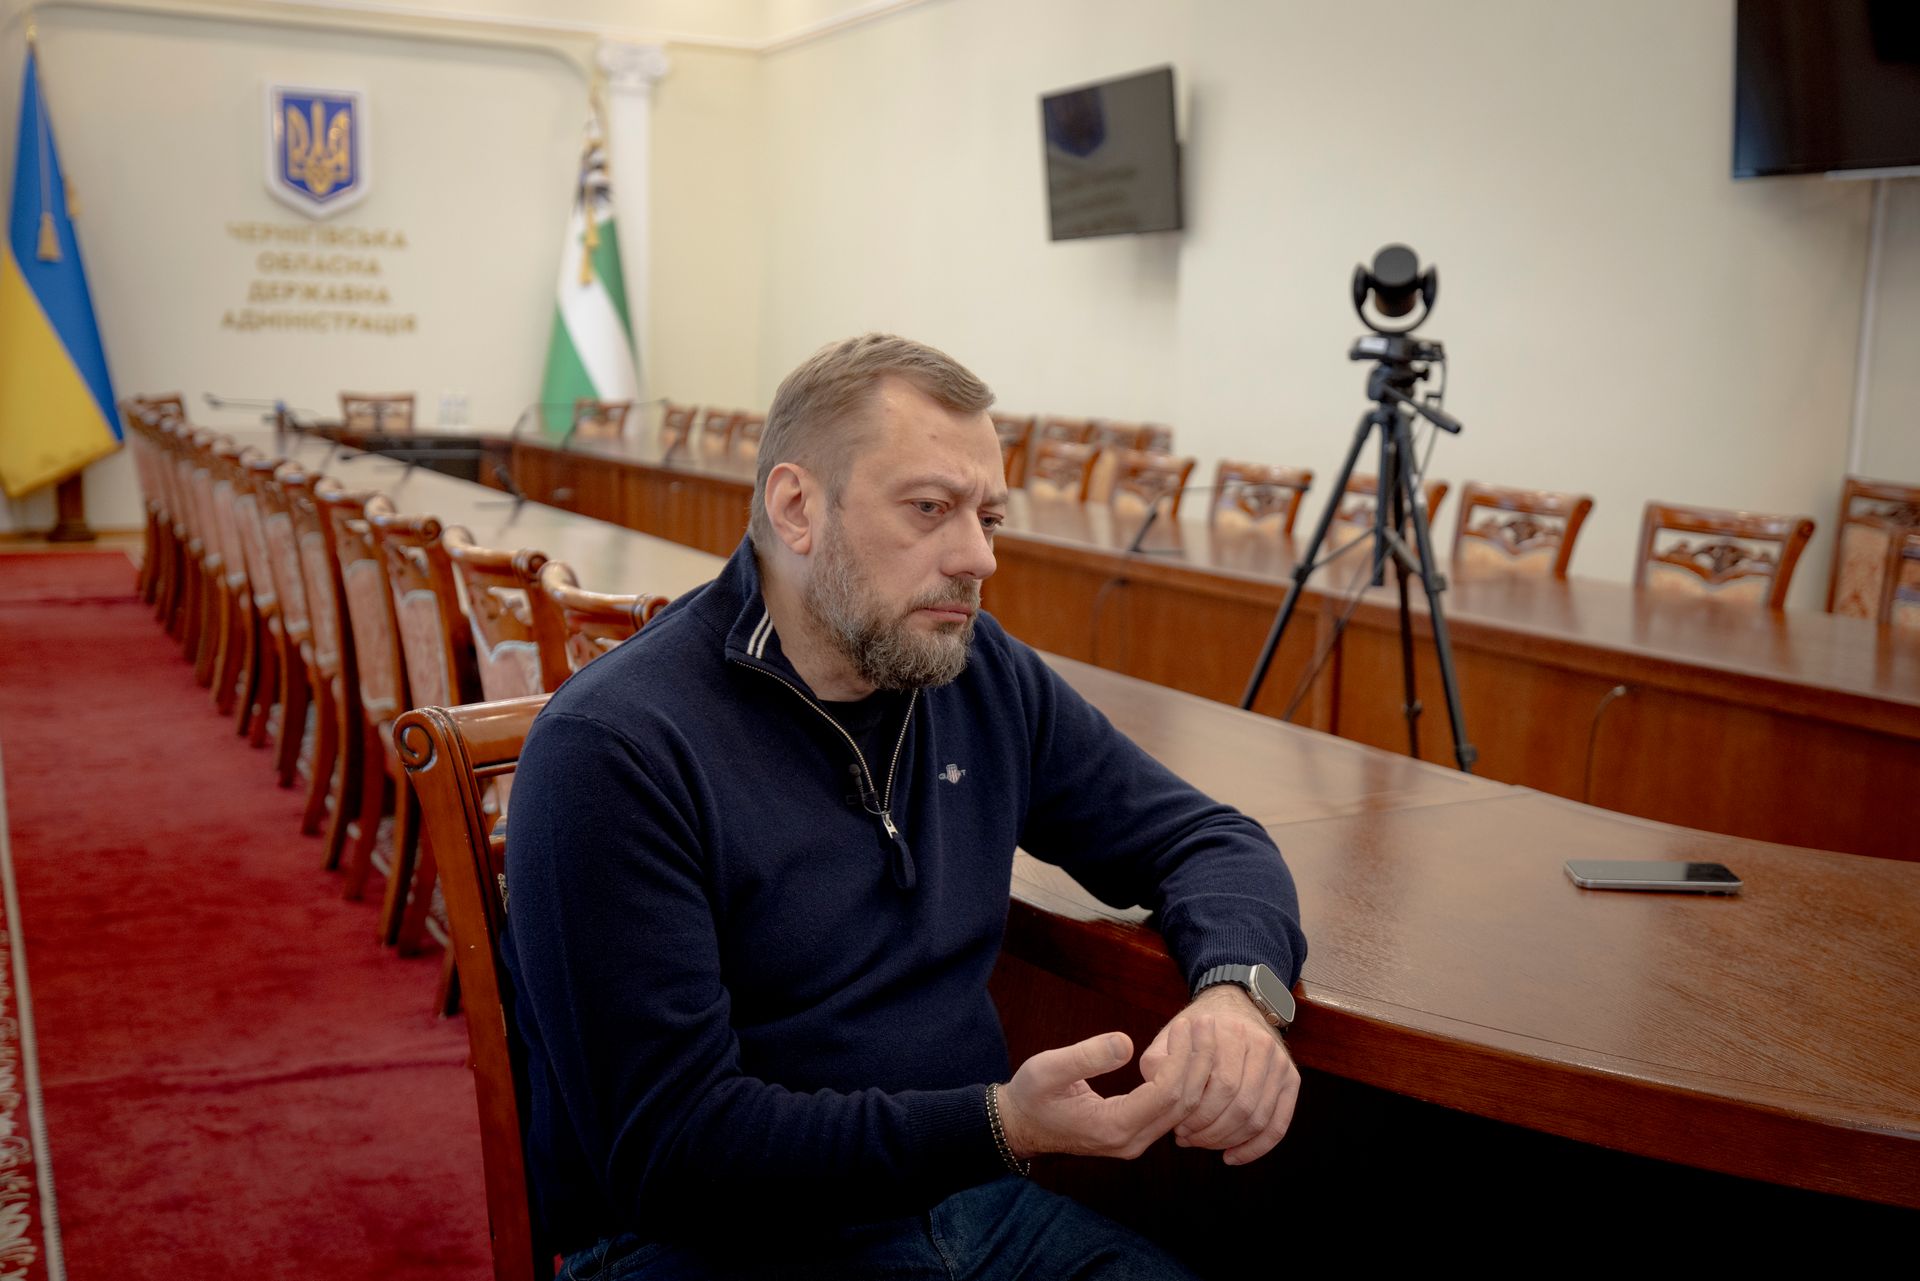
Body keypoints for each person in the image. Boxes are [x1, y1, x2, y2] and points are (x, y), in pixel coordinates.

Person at [504, 334, 1307, 1280]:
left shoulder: (975, 673)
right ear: (798, 508)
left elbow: (1206, 838)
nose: (977, 558)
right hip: (713, 1242)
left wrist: (1239, 994)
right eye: (930, 509)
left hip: (971, 1206)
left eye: (989, 518)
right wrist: (998, 1124)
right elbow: (673, 1156)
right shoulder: (618, 747)